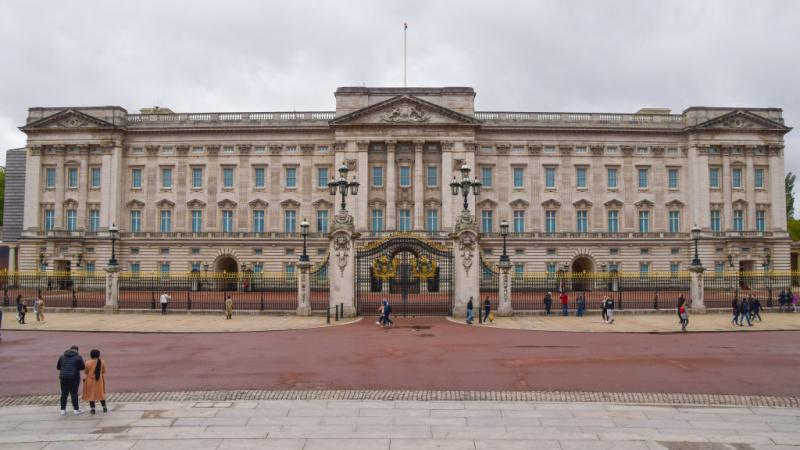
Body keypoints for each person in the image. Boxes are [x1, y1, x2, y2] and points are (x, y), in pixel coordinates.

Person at [57, 346, 85, 416]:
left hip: (63, 377)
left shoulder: (62, 357)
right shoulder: (78, 357)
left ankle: (62, 410)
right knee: (74, 393)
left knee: (64, 394)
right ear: (77, 351)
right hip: (74, 377)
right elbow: (82, 367)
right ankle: (76, 410)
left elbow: (58, 367)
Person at [83, 349, 107, 414]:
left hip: (90, 380)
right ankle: (104, 407)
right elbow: (104, 371)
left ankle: (93, 409)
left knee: (91, 395)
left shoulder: (87, 362)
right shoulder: (102, 362)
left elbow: (86, 372)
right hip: (99, 380)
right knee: (101, 394)